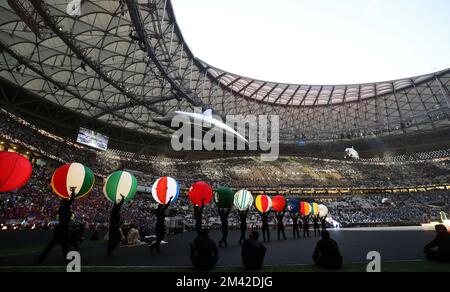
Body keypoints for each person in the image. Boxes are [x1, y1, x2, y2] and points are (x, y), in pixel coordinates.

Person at [36, 189, 76, 264]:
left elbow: (69, 202)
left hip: (60, 227)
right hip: (63, 228)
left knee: (54, 245)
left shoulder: (61, 207)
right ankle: (65, 259)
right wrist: (73, 192)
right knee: (63, 244)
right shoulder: (65, 207)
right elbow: (71, 201)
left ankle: (41, 258)